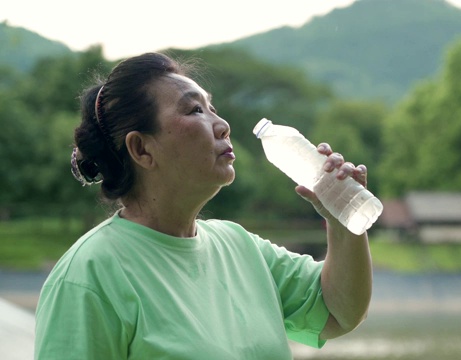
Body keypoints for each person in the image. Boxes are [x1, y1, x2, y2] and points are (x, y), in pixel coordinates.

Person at [34, 52, 373, 359]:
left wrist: (342, 222)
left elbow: (338, 311)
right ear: (141, 149)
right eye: (195, 110)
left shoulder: (239, 247)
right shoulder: (88, 276)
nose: (222, 125)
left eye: (212, 108)